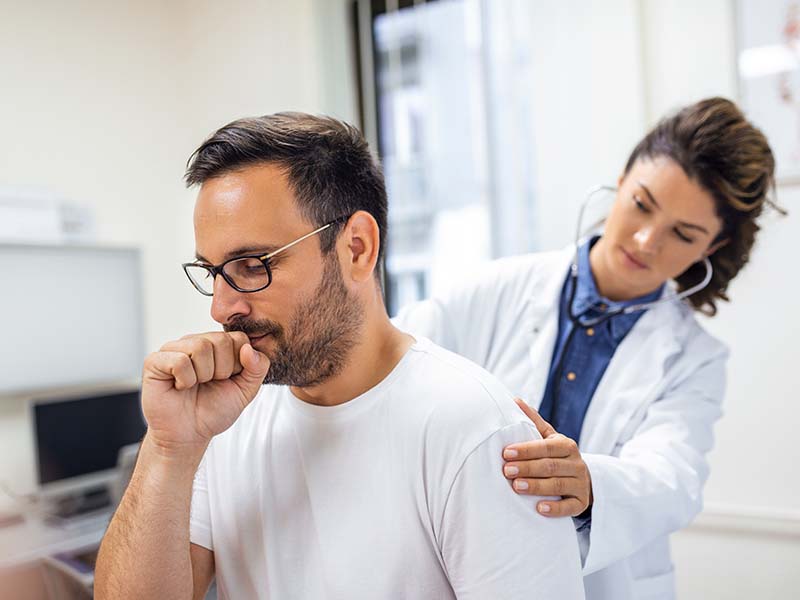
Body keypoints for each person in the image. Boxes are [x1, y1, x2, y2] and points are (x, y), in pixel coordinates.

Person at [94, 113, 585, 599]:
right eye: (214, 272)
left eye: (252, 265)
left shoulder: (474, 431)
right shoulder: (224, 419)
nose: (222, 307)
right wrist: (168, 448)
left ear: (356, 248)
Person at [395, 97, 783, 600]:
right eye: (642, 204)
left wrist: (591, 482)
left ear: (709, 248)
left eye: (683, 234)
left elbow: (673, 476)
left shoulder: (694, 359)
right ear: (621, 182)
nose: (646, 241)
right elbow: (397, 360)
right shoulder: (496, 287)